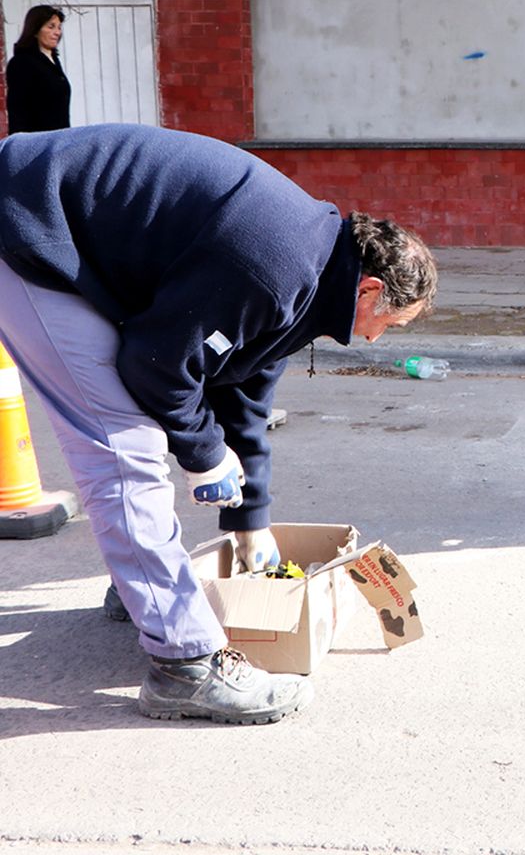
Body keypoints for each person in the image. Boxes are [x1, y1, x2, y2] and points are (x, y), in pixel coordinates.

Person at [0, 124, 438, 724]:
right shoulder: (275, 267)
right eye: (390, 323)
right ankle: (186, 665)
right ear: (368, 289)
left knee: (145, 438)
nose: (376, 337)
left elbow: (243, 396)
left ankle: (148, 594)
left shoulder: (309, 272)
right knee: (126, 448)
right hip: (27, 227)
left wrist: (249, 524)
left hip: (48, 219)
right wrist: (204, 453)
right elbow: (157, 363)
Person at [6, 4, 71, 133]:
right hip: (37, 143)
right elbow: (18, 110)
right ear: (35, 30)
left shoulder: (53, 61)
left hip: (60, 141)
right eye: (51, 27)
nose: (57, 32)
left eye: (59, 27)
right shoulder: (21, 63)